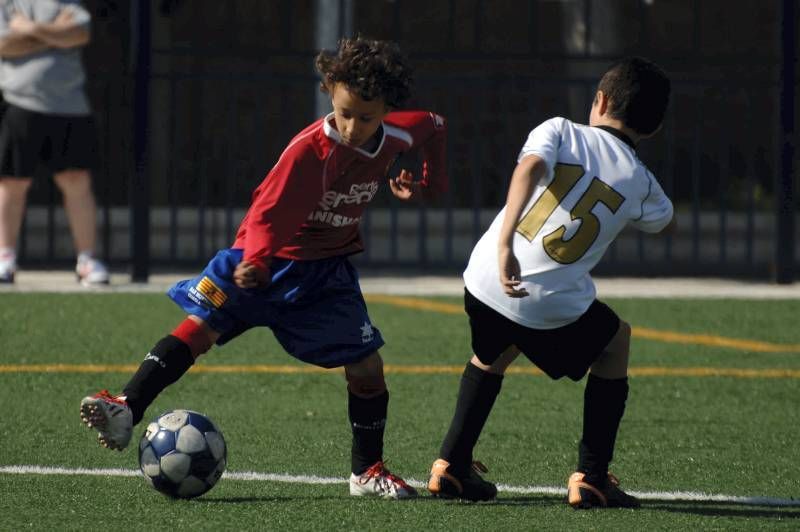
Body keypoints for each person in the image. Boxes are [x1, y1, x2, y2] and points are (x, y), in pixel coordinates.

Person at [80, 36, 447, 499]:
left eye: (366, 117)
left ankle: (366, 471)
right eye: (344, 112)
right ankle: (127, 407)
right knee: (200, 327)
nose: (352, 126)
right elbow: (265, 212)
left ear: (387, 109)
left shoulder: (396, 136)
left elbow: (434, 126)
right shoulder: (309, 151)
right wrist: (254, 260)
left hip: (324, 275)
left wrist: (432, 182)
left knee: (367, 368)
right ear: (329, 90)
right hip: (261, 262)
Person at [427, 57, 674, 508]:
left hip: (482, 281)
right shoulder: (642, 182)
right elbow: (661, 221)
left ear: (599, 100)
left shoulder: (560, 128)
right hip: (544, 305)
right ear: (653, 128)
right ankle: (592, 476)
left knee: (496, 348)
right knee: (616, 340)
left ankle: (451, 464)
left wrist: (505, 246)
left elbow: (529, 169)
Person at [0, 0, 108, 285]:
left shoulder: (69, 4)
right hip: (19, 101)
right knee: (12, 182)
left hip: (71, 106)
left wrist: (31, 29)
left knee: (76, 182)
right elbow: (4, 44)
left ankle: (87, 260)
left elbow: (80, 34)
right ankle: (5, 258)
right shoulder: (9, 4)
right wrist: (55, 35)